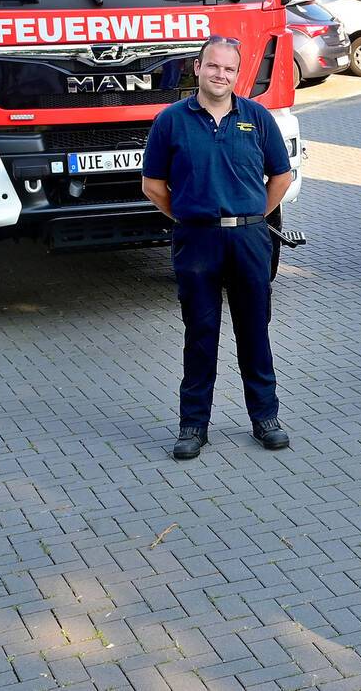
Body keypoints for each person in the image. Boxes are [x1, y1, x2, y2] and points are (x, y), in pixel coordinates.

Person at [141, 37, 295, 460]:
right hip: (197, 240)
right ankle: (193, 426)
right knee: (200, 334)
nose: (220, 75)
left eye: (229, 69)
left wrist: (253, 216)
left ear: (237, 74)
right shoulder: (171, 121)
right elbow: (153, 186)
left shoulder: (257, 117)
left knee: (254, 332)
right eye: (213, 66)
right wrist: (189, 216)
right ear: (198, 67)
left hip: (249, 240)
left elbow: (280, 176)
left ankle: (265, 419)